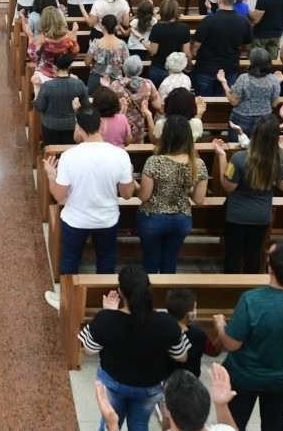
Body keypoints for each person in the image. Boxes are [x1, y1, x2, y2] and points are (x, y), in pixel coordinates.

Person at [214, 239, 283, 431]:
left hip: (246, 376)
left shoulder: (252, 300)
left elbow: (232, 344)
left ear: (271, 270)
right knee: (276, 421)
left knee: (234, 422)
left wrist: (220, 327)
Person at [42, 107, 136, 307]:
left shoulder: (70, 156)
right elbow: (127, 195)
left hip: (76, 219)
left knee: (70, 259)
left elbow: (59, 196)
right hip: (107, 219)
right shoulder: (120, 155)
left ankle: (65, 300)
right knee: (106, 260)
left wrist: (51, 176)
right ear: (101, 126)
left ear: (80, 129)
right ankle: (104, 300)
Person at [78, 266, 190, 430]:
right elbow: (182, 356)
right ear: (148, 291)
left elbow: (88, 349)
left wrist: (109, 312)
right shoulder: (167, 322)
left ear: (120, 292)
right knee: (139, 424)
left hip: (113, 382)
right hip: (149, 386)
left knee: (110, 422)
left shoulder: (106, 319)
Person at [215, 115, 283, 273]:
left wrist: (222, 156)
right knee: (254, 256)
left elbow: (228, 187)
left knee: (233, 256)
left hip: (236, 214)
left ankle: (228, 292)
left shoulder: (239, 158)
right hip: (261, 215)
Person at [135, 116, 206, 274]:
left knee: (150, 262)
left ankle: (148, 295)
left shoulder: (154, 161)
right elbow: (199, 200)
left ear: (165, 136)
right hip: (181, 219)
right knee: (170, 261)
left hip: (153, 217)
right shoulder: (198, 164)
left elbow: (144, 196)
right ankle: (167, 294)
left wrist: (134, 184)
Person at [190, 0, 251, 97]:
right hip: (230, 68)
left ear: (219, 0)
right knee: (223, 103)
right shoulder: (243, 22)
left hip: (205, 68)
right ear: (233, 2)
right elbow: (246, 47)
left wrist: (194, 55)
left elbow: (196, 46)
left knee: (202, 101)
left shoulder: (208, 21)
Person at [218, 48, 281, 137]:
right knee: (260, 148)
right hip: (264, 120)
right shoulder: (273, 80)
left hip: (242, 119)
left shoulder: (244, 78)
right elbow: (274, 103)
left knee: (237, 147)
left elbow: (233, 101)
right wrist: (278, 83)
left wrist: (224, 82)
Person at [147, 0, 190, 87]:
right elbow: (186, 53)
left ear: (162, 11)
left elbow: (153, 51)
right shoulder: (184, 28)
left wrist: (144, 43)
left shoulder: (157, 28)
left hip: (158, 67)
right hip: (176, 69)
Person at [86, 15, 127, 92]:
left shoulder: (95, 43)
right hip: (116, 80)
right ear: (116, 27)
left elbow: (87, 62)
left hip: (97, 79)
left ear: (103, 26)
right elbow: (127, 65)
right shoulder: (122, 44)